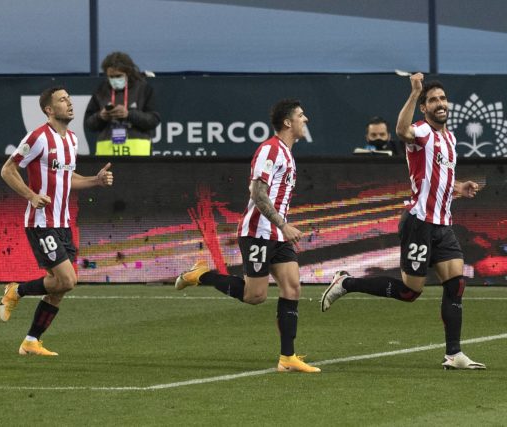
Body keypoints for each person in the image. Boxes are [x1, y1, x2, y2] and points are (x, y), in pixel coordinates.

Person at [321, 73, 486, 370]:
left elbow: (440, 179)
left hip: (442, 224)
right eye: (433, 100)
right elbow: (400, 130)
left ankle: (454, 354)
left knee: (456, 284)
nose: (440, 103)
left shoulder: (449, 139)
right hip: (418, 222)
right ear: (424, 108)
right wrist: (414, 92)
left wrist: (460, 187)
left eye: (442, 98)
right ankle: (348, 282)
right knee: (410, 291)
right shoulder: (421, 131)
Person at [175, 99, 320, 373]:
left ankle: (287, 358)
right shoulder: (270, 149)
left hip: (277, 235)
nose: (306, 119)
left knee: (293, 288)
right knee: (255, 296)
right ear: (288, 122)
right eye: (301, 115)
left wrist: (282, 227)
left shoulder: (287, 153)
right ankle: (201, 275)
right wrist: (283, 224)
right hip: (257, 234)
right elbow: (258, 192)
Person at [0, 86, 113, 356]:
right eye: (62, 100)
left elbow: (68, 178)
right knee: (67, 280)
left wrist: (95, 181)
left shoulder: (72, 139)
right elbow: (8, 169)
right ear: (49, 110)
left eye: (70, 99)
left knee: (59, 289)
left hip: (63, 224)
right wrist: (30, 195)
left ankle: (31, 341)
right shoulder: (38, 137)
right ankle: (17, 289)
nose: (69, 103)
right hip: (41, 222)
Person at [84, 51, 160, 156]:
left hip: (138, 155)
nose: (114, 80)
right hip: (107, 154)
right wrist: (100, 117)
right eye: (111, 77)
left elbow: (153, 120)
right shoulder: (101, 91)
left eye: (118, 76)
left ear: (128, 73)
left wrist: (129, 114)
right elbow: (89, 123)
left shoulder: (143, 89)